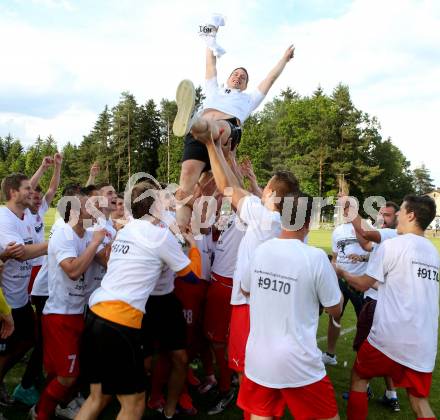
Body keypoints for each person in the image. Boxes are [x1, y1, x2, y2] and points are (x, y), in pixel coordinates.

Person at [191, 131, 299, 415]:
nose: (260, 191)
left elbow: (230, 186)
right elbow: (234, 188)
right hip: (255, 299)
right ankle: (252, 400)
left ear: (272, 195)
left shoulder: (264, 218)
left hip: (242, 298)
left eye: (265, 190)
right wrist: (230, 157)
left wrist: (213, 146)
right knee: (252, 365)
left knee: (242, 362)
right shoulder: (277, 222)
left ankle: (234, 394)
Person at [76, 180, 201, 420]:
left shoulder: (128, 229)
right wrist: (193, 247)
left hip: (95, 314)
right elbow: (193, 277)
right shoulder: (158, 236)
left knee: (97, 398)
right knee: (133, 406)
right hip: (119, 322)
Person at [237, 193, 342, 420]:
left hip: (258, 358)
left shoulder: (261, 250)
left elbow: (245, 289)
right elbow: (335, 309)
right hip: (298, 361)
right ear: (308, 223)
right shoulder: (315, 258)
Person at [173, 41, 295, 227]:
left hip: (228, 130)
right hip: (196, 136)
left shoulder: (248, 99)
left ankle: (192, 120)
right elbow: (210, 63)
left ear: (245, 86)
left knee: (215, 127)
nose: (238, 77)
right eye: (235, 74)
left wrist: (284, 60)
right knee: (186, 180)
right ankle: (180, 233)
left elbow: (270, 79)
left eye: (243, 77)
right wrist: (211, 36)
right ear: (228, 79)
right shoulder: (214, 90)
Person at [345, 195, 439, 420]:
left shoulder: (393, 245)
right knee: (419, 401)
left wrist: (340, 271)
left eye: (401, 210)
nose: (397, 214)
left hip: (390, 338)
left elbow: (362, 284)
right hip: (423, 344)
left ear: (411, 215)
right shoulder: (434, 253)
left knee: (359, 377)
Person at [29, 189, 107, 420]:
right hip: (60, 314)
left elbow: (108, 263)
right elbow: (72, 270)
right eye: (88, 207)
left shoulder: (87, 233)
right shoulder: (64, 233)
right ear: (73, 212)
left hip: (76, 312)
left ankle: (56, 406)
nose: (94, 211)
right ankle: (40, 413)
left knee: (61, 373)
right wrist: (94, 246)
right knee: (67, 377)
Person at [340, 201, 401, 411]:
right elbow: (367, 244)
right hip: (380, 302)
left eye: (388, 215)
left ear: (398, 217)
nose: (383, 218)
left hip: (376, 302)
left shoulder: (392, 235)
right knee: (385, 351)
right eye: (381, 214)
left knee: (363, 350)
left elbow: (367, 235)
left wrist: (351, 212)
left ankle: (363, 389)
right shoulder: (388, 238)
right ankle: (391, 395)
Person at [12, 153, 63, 406]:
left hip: (38, 268)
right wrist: (43, 167)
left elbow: (52, 188)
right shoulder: (22, 214)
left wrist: (57, 167)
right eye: (30, 193)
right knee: (31, 325)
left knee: (34, 326)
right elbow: (30, 187)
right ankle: (28, 369)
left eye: (36, 195)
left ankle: (31, 357)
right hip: (30, 268)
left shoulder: (40, 209)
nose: (35, 196)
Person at [0, 174, 48, 405]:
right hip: (3, 302)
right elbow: (19, 252)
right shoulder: (3, 218)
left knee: (29, 339)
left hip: (19, 299)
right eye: (27, 188)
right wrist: (56, 243)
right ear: (13, 193)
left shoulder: (25, 216)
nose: (33, 192)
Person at [322, 201, 368, 366]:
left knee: (364, 323)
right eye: (344, 208)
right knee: (335, 316)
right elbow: (335, 258)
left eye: (349, 207)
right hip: (340, 280)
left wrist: (362, 258)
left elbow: (375, 253)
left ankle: (363, 362)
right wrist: (333, 274)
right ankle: (330, 354)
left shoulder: (365, 227)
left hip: (360, 281)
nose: (345, 211)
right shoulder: (338, 231)